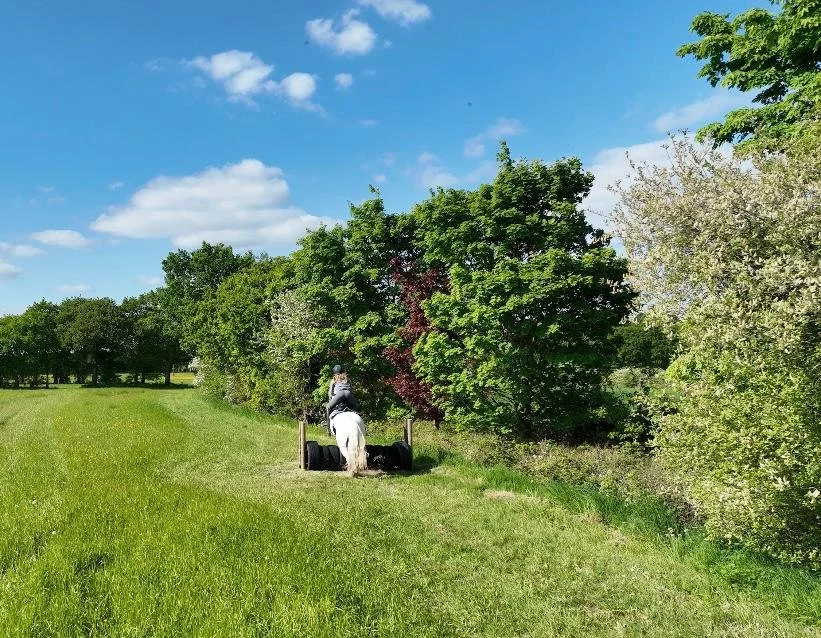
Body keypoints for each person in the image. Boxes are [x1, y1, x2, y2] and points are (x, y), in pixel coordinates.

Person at [326, 365, 361, 430]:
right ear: (342, 370)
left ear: (334, 372)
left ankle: (328, 427)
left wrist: (330, 400)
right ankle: (361, 418)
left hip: (339, 395)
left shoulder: (334, 379)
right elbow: (351, 389)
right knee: (357, 405)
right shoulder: (347, 378)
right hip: (348, 394)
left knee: (328, 407)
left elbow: (330, 394)